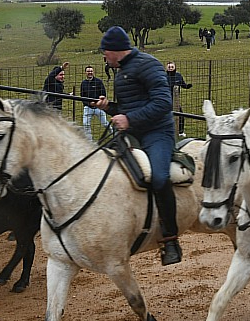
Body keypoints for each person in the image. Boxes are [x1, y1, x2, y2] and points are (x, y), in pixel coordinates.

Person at [95, 26, 182, 266]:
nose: (104, 56)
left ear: (114, 50)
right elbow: (128, 106)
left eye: (105, 52)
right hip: (131, 133)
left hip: (157, 133)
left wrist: (129, 119)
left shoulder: (148, 64)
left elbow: (163, 103)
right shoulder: (122, 70)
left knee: (159, 178)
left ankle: (171, 238)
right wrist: (109, 107)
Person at [79, 65, 108, 139]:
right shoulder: (83, 83)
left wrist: (98, 103)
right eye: (88, 71)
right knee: (86, 124)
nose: (90, 72)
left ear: (93, 72)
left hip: (98, 107)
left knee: (105, 123)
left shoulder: (98, 82)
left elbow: (103, 93)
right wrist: (88, 103)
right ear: (85, 72)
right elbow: (82, 96)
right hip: (88, 107)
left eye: (91, 71)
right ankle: (90, 141)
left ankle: (113, 133)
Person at [165, 61, 193, 137]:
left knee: (180, 116)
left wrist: (187, 86)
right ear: (166, 68)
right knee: (166, 116)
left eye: (172, 67)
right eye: (169, 67)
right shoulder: (164, 77)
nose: (170, 68)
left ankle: (180, 132)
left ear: (175, 67)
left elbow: (183, 84)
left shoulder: (178, 76)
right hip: (166, 100)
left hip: (175, 101)